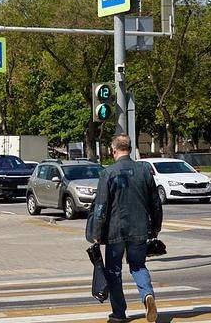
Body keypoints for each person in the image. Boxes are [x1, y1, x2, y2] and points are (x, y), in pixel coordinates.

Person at [90, 135, 163, 323]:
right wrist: (155, 227)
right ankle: (147, 295)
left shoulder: (108, 173)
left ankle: (119, 313)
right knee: (138, 265)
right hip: (140, 229)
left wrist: (97, 233)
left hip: (115, 231)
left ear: (114, 150)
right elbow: (155, 203)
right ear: (129, 149)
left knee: (113, 270)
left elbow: (101, 207)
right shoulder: (145, 171)